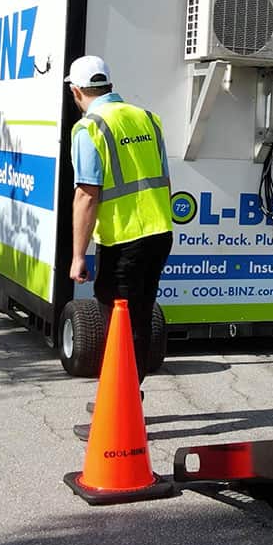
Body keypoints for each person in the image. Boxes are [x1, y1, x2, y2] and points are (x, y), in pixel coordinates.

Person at [66, 54, 173, 383]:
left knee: (117, 321)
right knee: (138, 319)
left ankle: (119, 406)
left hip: (123, 240)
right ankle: (129, 400)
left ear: (76, 91)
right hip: (159, 234)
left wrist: (77, 256)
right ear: (109, 85)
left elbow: (86, 196)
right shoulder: (147, 119)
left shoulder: (89, 128)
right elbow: (163, 178)